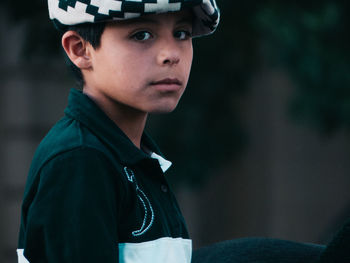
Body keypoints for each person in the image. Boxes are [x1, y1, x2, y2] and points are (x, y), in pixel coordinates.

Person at [16, 1, 220, 262]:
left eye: (181, 33)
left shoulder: (133, 157)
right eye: (141, 35)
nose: (171, 54)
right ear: (80, 50)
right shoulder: (80, 160)